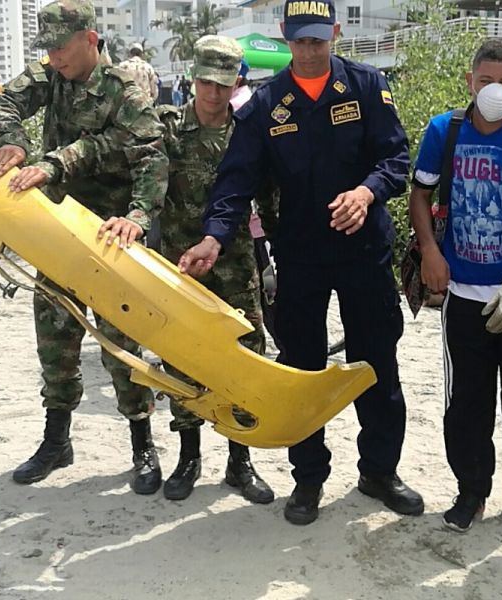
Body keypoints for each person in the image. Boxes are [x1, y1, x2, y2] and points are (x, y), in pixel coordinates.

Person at [179, 0, 422, 526]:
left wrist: (366, 192)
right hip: (302, 257)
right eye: (300, 41)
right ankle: (308, 478)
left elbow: (396, 160)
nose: (310, 52)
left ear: (335, 33)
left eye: (319, 40)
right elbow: (236, 182)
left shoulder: (365, 86)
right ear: (285, 38)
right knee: (302, 368)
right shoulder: (265, 105)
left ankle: (380, 471)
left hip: (364, 252)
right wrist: (214, 238)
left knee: (376, 363)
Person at [0, 0, 169, 493]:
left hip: (107, 238)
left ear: (90, 38)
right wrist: (13, 142)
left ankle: (142, 445)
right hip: (56, 235)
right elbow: (4, 104)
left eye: (61, 47)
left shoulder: (123, 91)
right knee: (55, 341)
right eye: (46, 48)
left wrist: (137, 214)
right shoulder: (51, 76)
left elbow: (152, 155)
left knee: (121, 346)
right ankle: (56, 442)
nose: (54, 57)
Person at [109, 35, 274, 504]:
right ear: (192, 79)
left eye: (224, 85)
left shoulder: (249, 134)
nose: (213, 94)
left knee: (244, 357)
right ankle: (188, 456)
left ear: (237, 83)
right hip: (180, 266)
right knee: (182, 359)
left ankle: (240, 462)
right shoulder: (164, 128)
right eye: (206, 83)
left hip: (236, 264)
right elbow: (141, 174)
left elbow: (272, 195)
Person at [409, 39, 502, 534]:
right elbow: (420, 192)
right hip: (464, 295)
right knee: (466, 401)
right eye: (487, 81)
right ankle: (471, 491)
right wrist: (430, 251)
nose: (497, 91)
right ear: (470, 82)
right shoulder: (443, 131)